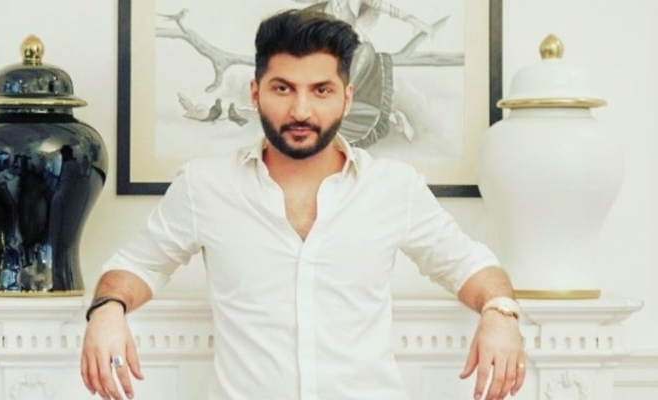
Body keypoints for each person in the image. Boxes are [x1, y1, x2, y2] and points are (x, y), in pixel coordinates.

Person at [81, 8, 525, 400]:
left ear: (347, 98)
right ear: (255, 92)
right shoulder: (204, 186)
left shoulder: (394, 187)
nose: (300, 110)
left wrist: (500, 314)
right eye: (282, 88)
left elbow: (471, 266)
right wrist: (107, 311)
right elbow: (136, 264)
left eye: (321, 90)